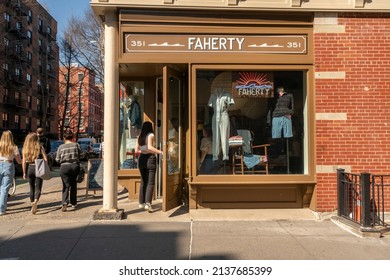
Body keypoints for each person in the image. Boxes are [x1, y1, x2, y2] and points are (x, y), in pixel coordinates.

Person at [134, 121, 163, 213]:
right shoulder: (150, 135)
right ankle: (148, 204)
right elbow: (150, 147)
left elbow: (136, 150)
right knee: (150, 182)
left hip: (141, 159)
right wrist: (160, 152)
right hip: (150, 158)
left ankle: (141, 202)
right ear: (151, 127)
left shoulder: (139, 137)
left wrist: (143, 150)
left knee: (143, 181)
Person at [22, 132, 49, 214]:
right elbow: (46, 159)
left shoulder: (25, 148)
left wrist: (24, 172)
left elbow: (23, 162)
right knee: (38, 187)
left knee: (31, 187)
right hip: (38, 167)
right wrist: (45, 167)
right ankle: (35, 202)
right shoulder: (40, 147)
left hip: (30, 168)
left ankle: (32, 205)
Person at [55, 128, 82, 212]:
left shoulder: (61, 147)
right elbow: (80, 155)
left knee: (65, 186)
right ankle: (73, 203)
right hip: (74, 166)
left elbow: (57, 159)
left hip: (64, 167)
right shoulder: (76, 145)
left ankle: (64, 203)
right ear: (72, 137)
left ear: (64, 138)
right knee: (74, 185)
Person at [208, 86, 235, 161]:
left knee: (225, 136)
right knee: (215, 136)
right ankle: (215, 155)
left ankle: (225, 155)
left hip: (224, 114)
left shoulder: (228, 94)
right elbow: (210, 104)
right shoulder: (213, 96)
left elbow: (230, 103)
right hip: (215, 115)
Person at [0, 130, 22, 215]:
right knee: (4, 189)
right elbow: (18, 160)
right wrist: (24, 161)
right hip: (8, 165)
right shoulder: (14, 147)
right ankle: (1, 210)